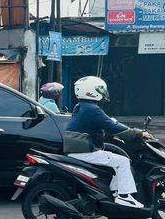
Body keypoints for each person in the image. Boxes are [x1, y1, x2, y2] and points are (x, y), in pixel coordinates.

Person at [66, 76, 153, 208]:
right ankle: (124, 196)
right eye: (100, 89)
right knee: (123, 161)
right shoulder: (92, 109)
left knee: (115, 162)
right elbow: (112, 126)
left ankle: (114, 191)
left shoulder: (81, 106)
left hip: (78, 149)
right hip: (84, 150)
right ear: (90, 91)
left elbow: (107, 123)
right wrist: (138, 133)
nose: (102, 92)